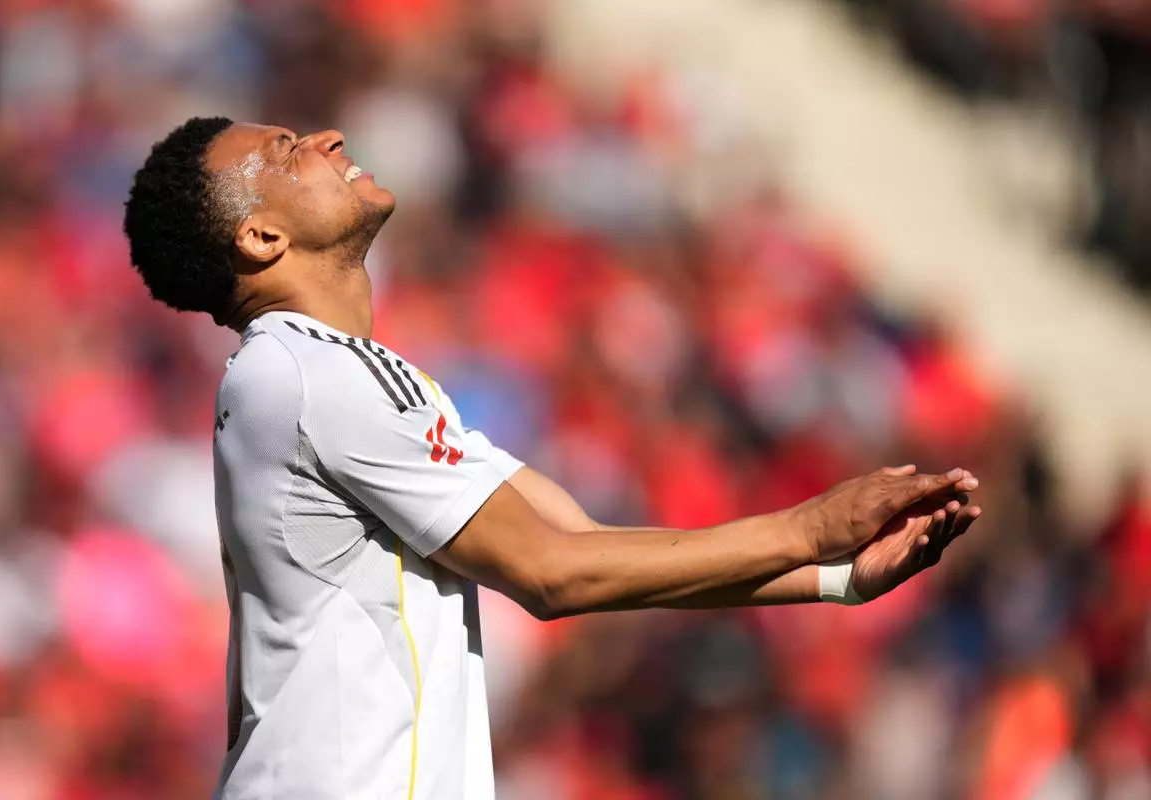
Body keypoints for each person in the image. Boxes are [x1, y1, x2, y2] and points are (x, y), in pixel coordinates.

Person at [122, 117, 983, 800]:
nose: (326, 138)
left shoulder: (344, 378)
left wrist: (833, 575)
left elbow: (583, 543)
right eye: (286, 151)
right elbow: (552, 573)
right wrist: (806, 530)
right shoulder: (312, 373)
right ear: (261, 238)